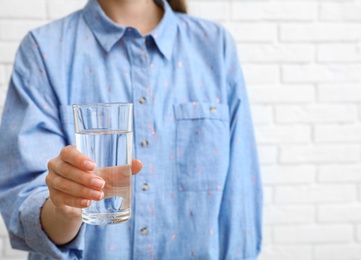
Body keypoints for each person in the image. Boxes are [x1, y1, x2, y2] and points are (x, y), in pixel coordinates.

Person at [0, 0, 263, 259]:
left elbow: (241, 194)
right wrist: (65, 209)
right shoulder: (43, 49)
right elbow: (25, 201)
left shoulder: (215, 45)